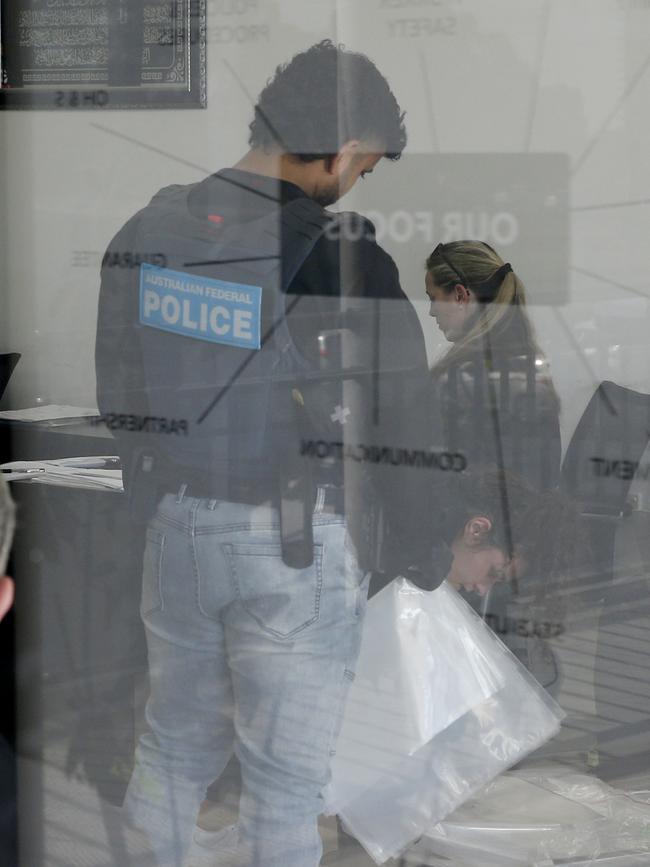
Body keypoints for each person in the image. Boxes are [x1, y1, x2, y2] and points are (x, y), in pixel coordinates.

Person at [96, 40, 437, 867]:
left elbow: (121, 395)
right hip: (293, 545)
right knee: (284, 785)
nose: (356, 184)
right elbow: (405, 424)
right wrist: (423, 551)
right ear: (348, 146)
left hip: (176, 530)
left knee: (174, 748)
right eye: (365, 167)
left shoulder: (152, 226)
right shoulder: (341, 253)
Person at [425, 240, 561, 491]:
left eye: (433, 298)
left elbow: (442, 478)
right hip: (526, 522)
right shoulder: (531, 368)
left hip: (474, 524)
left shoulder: (460, 379)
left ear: (460, 295)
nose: (432, 311)